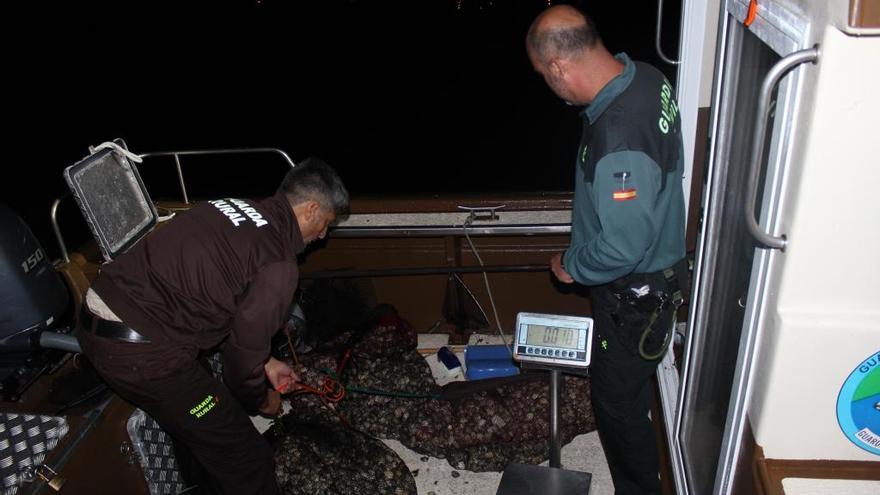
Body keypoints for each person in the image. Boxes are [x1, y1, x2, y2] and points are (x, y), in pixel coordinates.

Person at [77, 157, 350, 495]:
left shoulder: (227, 206)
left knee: (203, 407)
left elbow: (216, 300)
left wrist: (268, 362)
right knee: (245, 455)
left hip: (97, 313)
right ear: (310, 209)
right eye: (325, 223)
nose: (323, 235)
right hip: (140, 355)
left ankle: (197, 479)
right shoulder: (279, 265)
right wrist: (263, 401)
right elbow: (239, 368)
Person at [527, 6, 686, 494]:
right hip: (663, 269)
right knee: (625, 393)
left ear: (557, 67)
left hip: (633, 298)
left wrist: (572, 264)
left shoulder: (618, 135)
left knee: (617, 404)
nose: (548, 86)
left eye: (543, 76)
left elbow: (622, 246)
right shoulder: (646, 77)